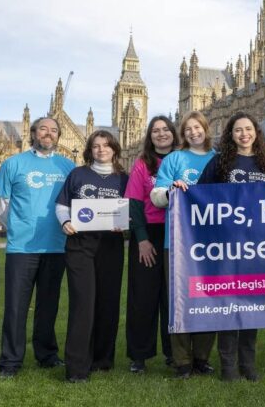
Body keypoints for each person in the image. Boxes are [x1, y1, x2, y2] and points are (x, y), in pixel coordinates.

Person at [0, 117, 75, 378]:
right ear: (33, 133)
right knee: (16, 305)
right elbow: (0, 204)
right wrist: (19, 225)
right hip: (22, 247)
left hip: (56, 246)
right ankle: (10, 361)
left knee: (48, 305)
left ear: (58, 136)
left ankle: (47, 354)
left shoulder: (67, 166)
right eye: (43, 129)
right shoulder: (13, 164)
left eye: (53, 130)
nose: (48, 134)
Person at [198, 112, 265, 382]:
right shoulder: (220, 162)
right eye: (238, 130)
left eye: (248, 129)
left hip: (257, 246)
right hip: (227, 246)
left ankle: (248, 363)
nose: (244, 134)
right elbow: (200, 195)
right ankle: (228, 365)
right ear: (231, 134)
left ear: (256, 132)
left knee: (252, 306)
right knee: (229, 305)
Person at [56, 131, 129, 383]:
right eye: (96, 146)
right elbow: (62, 204)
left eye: (106, 145)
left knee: (108, 303)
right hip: (80, 245)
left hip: (110, 245)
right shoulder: (78, 174)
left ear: (114, 149)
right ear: (90, 150)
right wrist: (64, 220)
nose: (101, 150)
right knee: (83, 304)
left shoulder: (124, 178)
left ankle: (102, 360)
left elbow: (131, 210)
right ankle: (77, 368)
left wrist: (126, 224)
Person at [151, 111, 217, 379]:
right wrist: (171, 191)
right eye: (187, 128)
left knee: (209, 299)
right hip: (177, 241)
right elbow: (156, 196)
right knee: (179, 300)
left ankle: (201, 357)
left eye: (197, 127)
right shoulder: (174, 159)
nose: (193, 132)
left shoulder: (218, 158)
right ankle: (182, 361)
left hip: (213, 242)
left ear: (205, 129)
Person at [124, 116, 178, 373]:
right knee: (143, 296)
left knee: (173, 296)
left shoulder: (182, 159)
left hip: (178, 234)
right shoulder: (142, 164)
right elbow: (133, 203)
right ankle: (139, 355)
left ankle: (174, 352)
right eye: (155, 131)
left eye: (165, 129)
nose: (161, 134)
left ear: (173, 133)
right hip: (148, 233)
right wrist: (142, 239)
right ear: (150, 136)